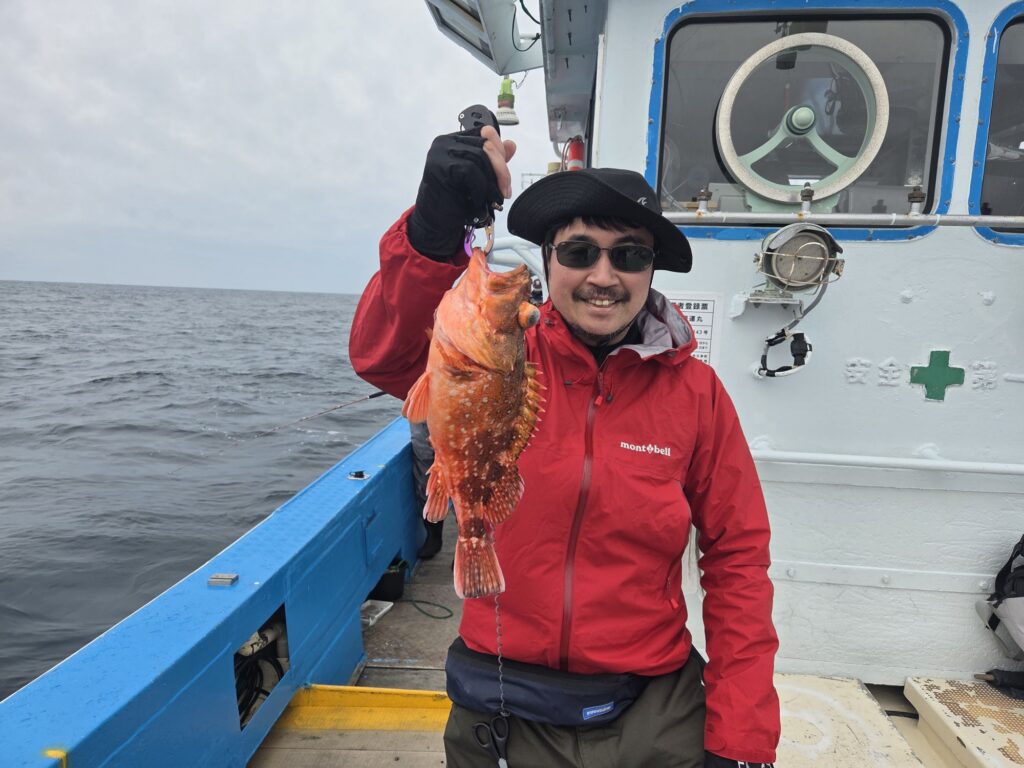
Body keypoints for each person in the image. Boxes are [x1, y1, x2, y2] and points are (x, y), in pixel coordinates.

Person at [349, 121, 780, 767]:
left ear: (651, 269)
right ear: (548, 260)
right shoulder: (501, 350)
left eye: (629, 255)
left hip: (654, 705)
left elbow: (738, 558)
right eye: (579, 252)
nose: (604, 275)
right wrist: (432, 235)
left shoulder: (698, 393)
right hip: (503, 699)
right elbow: (382, 356)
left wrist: (741, 736)